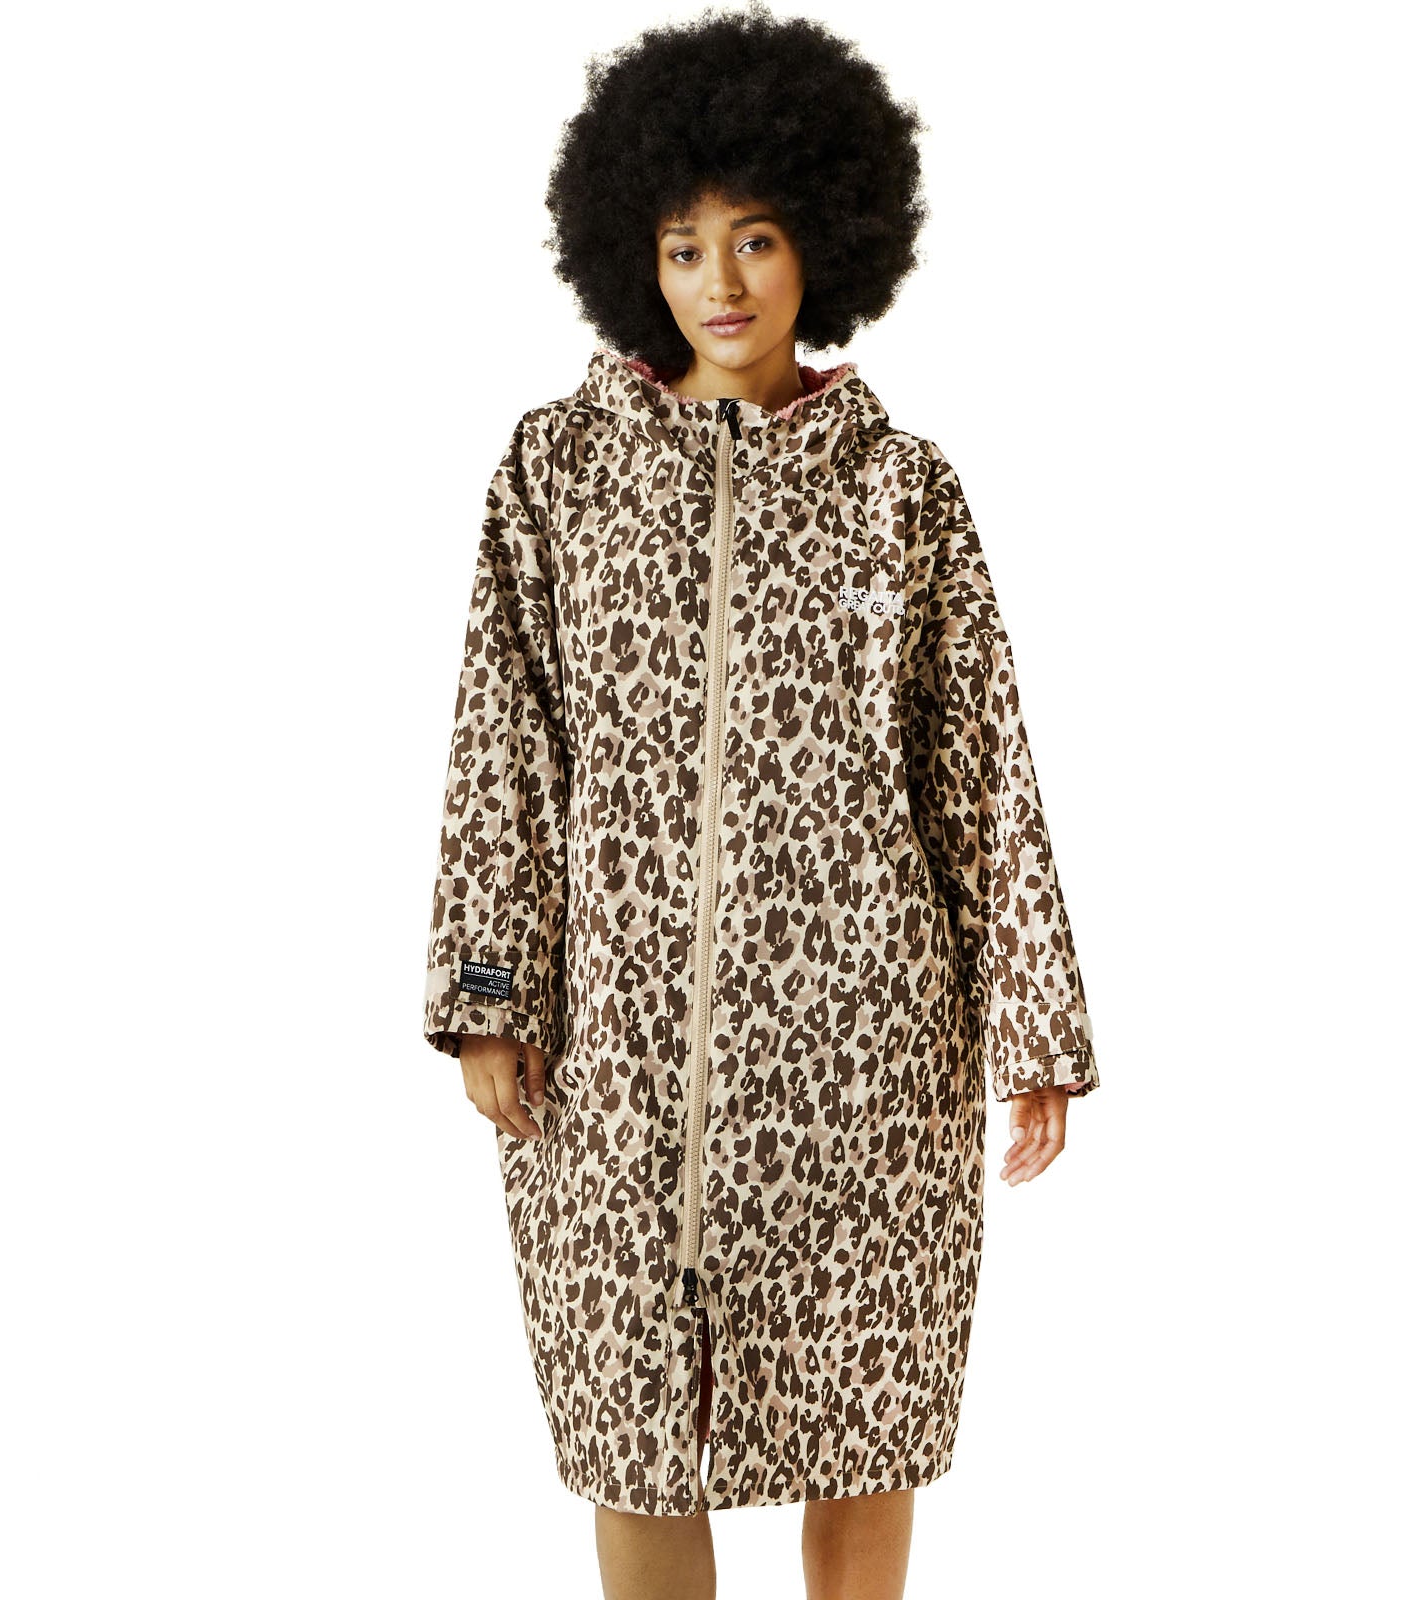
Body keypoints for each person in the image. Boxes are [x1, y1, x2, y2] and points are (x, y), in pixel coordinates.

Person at [422, 6, 1100, 1597]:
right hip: (619, 1060)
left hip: (865, 1058)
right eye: (682, 246)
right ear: (633, 259)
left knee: (866, 1418)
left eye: (757, 238)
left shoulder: (903, 491)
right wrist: (490, 997)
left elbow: (980, 767)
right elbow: (503, 748)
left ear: (823, 245)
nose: (719, 282)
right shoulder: (557, 473)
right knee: (630, 1427)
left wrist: (1034, 1028)